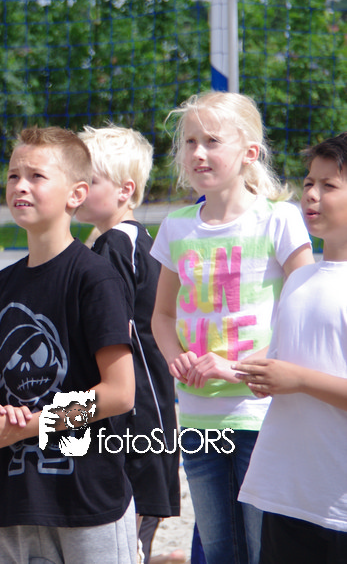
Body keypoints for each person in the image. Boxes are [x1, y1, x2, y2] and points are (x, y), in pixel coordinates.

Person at [0, 126, 138, 564]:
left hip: (86, 500)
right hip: (13, 498)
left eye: (36, 176)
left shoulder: (95, 278)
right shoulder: (2, 283)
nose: (20, 185)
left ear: (76, 194)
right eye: (13, 175)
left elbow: (119, 393)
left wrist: (32, 425)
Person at [150, 91, 312, 564]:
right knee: (219, 550)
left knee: (264, 550)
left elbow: (306, 313)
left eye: (212, 141)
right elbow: (162, 316)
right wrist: (174, 355)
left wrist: (235, 369)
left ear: (249, 152)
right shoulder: (176, 227)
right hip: (198, 418)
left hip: (261, 415)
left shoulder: (279, 219)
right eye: (190, 142)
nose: (198, 152)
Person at [234, 131, 347, 563]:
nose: (311, 194)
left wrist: (296, 379)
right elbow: (285, 365)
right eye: (309, 182)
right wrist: (263, 376)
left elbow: (299, 375)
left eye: (329, 185)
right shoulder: (299, 279)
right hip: (287, 495)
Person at [76, 125, 183, 564]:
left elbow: (108, 329)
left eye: (91, 180)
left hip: (134, 420)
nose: (80, 190)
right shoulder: (131, 241)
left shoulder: (117, 244)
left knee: (123, 543)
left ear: (126, 190)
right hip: (144, 415)